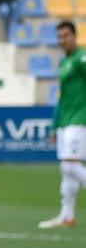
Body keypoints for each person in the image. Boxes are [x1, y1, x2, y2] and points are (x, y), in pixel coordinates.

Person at [39, 21, 86, 228]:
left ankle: (66, 215)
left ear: (75, 36)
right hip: (66, 121)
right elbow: (62, 97)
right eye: (59, 37)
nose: (62, 40)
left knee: (70, 165)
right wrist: (54, 125)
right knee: (66, 169)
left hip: (80, 118)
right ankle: (66, 216)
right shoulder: (63, 63)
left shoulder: (81, 59)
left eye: (65, 36)